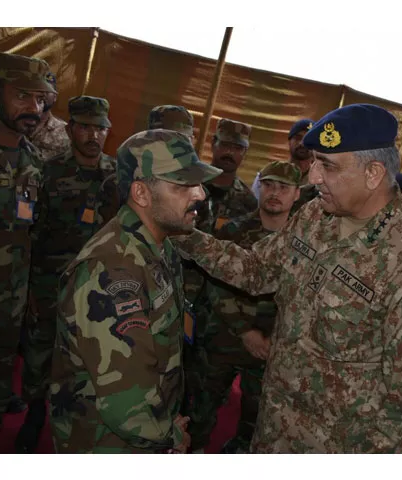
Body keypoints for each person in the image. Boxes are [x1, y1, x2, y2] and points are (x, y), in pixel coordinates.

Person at [175, 103, 402, 453]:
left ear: (373, 174)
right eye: (314, 162)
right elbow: (257, 270)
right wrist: (181, 234)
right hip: (273, 429)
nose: (313, 177)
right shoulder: (316, 215)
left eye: (327, 165)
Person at [49, 129, 222, 453]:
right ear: (141, 193)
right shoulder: (111, 271)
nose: (200, 194)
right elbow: (127, 406)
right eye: (183, 185)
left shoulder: (159, 244)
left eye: (198, 183)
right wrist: (170, 435)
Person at [16, 95, 119, 453]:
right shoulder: (48, 171)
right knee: (39, 353)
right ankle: (34, 415)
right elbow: (29, 232)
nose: (94, 135)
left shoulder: (118, 177)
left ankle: (77, 426)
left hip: (98, 289)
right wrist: (29, 286)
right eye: (85, 127)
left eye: (100, 128)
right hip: (50, 282)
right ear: (71, 128)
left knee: (89, 360)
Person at [187, 161, 301, 453]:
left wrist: (272, 338)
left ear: (297, 194)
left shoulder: (303, 244)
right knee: (198, 417)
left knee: (255, 428)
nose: (274, 193)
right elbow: (214, 284)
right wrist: (245, 331)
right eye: (269, 185)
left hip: (270, 350)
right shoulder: (233, 230)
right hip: (222, 340)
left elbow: (302, 299)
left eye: (283, 187)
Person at [0, 52, 55, 452]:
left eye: (41, 99)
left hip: (8, 308)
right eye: (23, 95)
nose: (34, 108)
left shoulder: (35, 162)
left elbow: (33, 233)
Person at [180, 118, 258, 417]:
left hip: (217, 311)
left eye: (238, 148)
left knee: (204, 388)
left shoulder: (248, 202)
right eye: (225, 144)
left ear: (245, 154)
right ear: (212, 144)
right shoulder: (189, 186)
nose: (230, 152)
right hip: (177, 292)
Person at [28, 72, 68, 161]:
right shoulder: (17, 122)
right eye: (39, 89)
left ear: (55, 97)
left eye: (47, 91)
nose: (43, 94)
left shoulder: (65, 131)